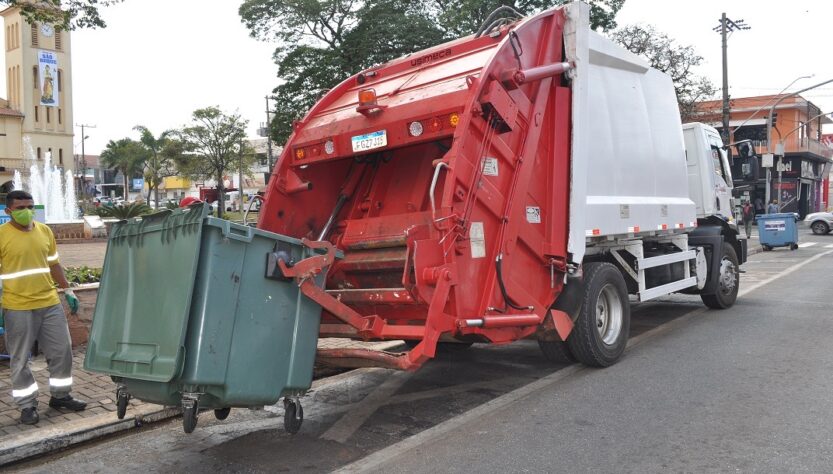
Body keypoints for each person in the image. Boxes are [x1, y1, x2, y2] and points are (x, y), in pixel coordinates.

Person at [0, 191, 86, 425]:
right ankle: (27, 405)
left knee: (62, 351)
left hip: (49, 303)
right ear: (9, 211)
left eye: (30, 206)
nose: (26, 211)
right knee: (20, 359)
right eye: (20, 207)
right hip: (17, 306)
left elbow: (53, 264)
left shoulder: (44, 231)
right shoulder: (2, 235)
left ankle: (60, 396)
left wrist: (67, 290)